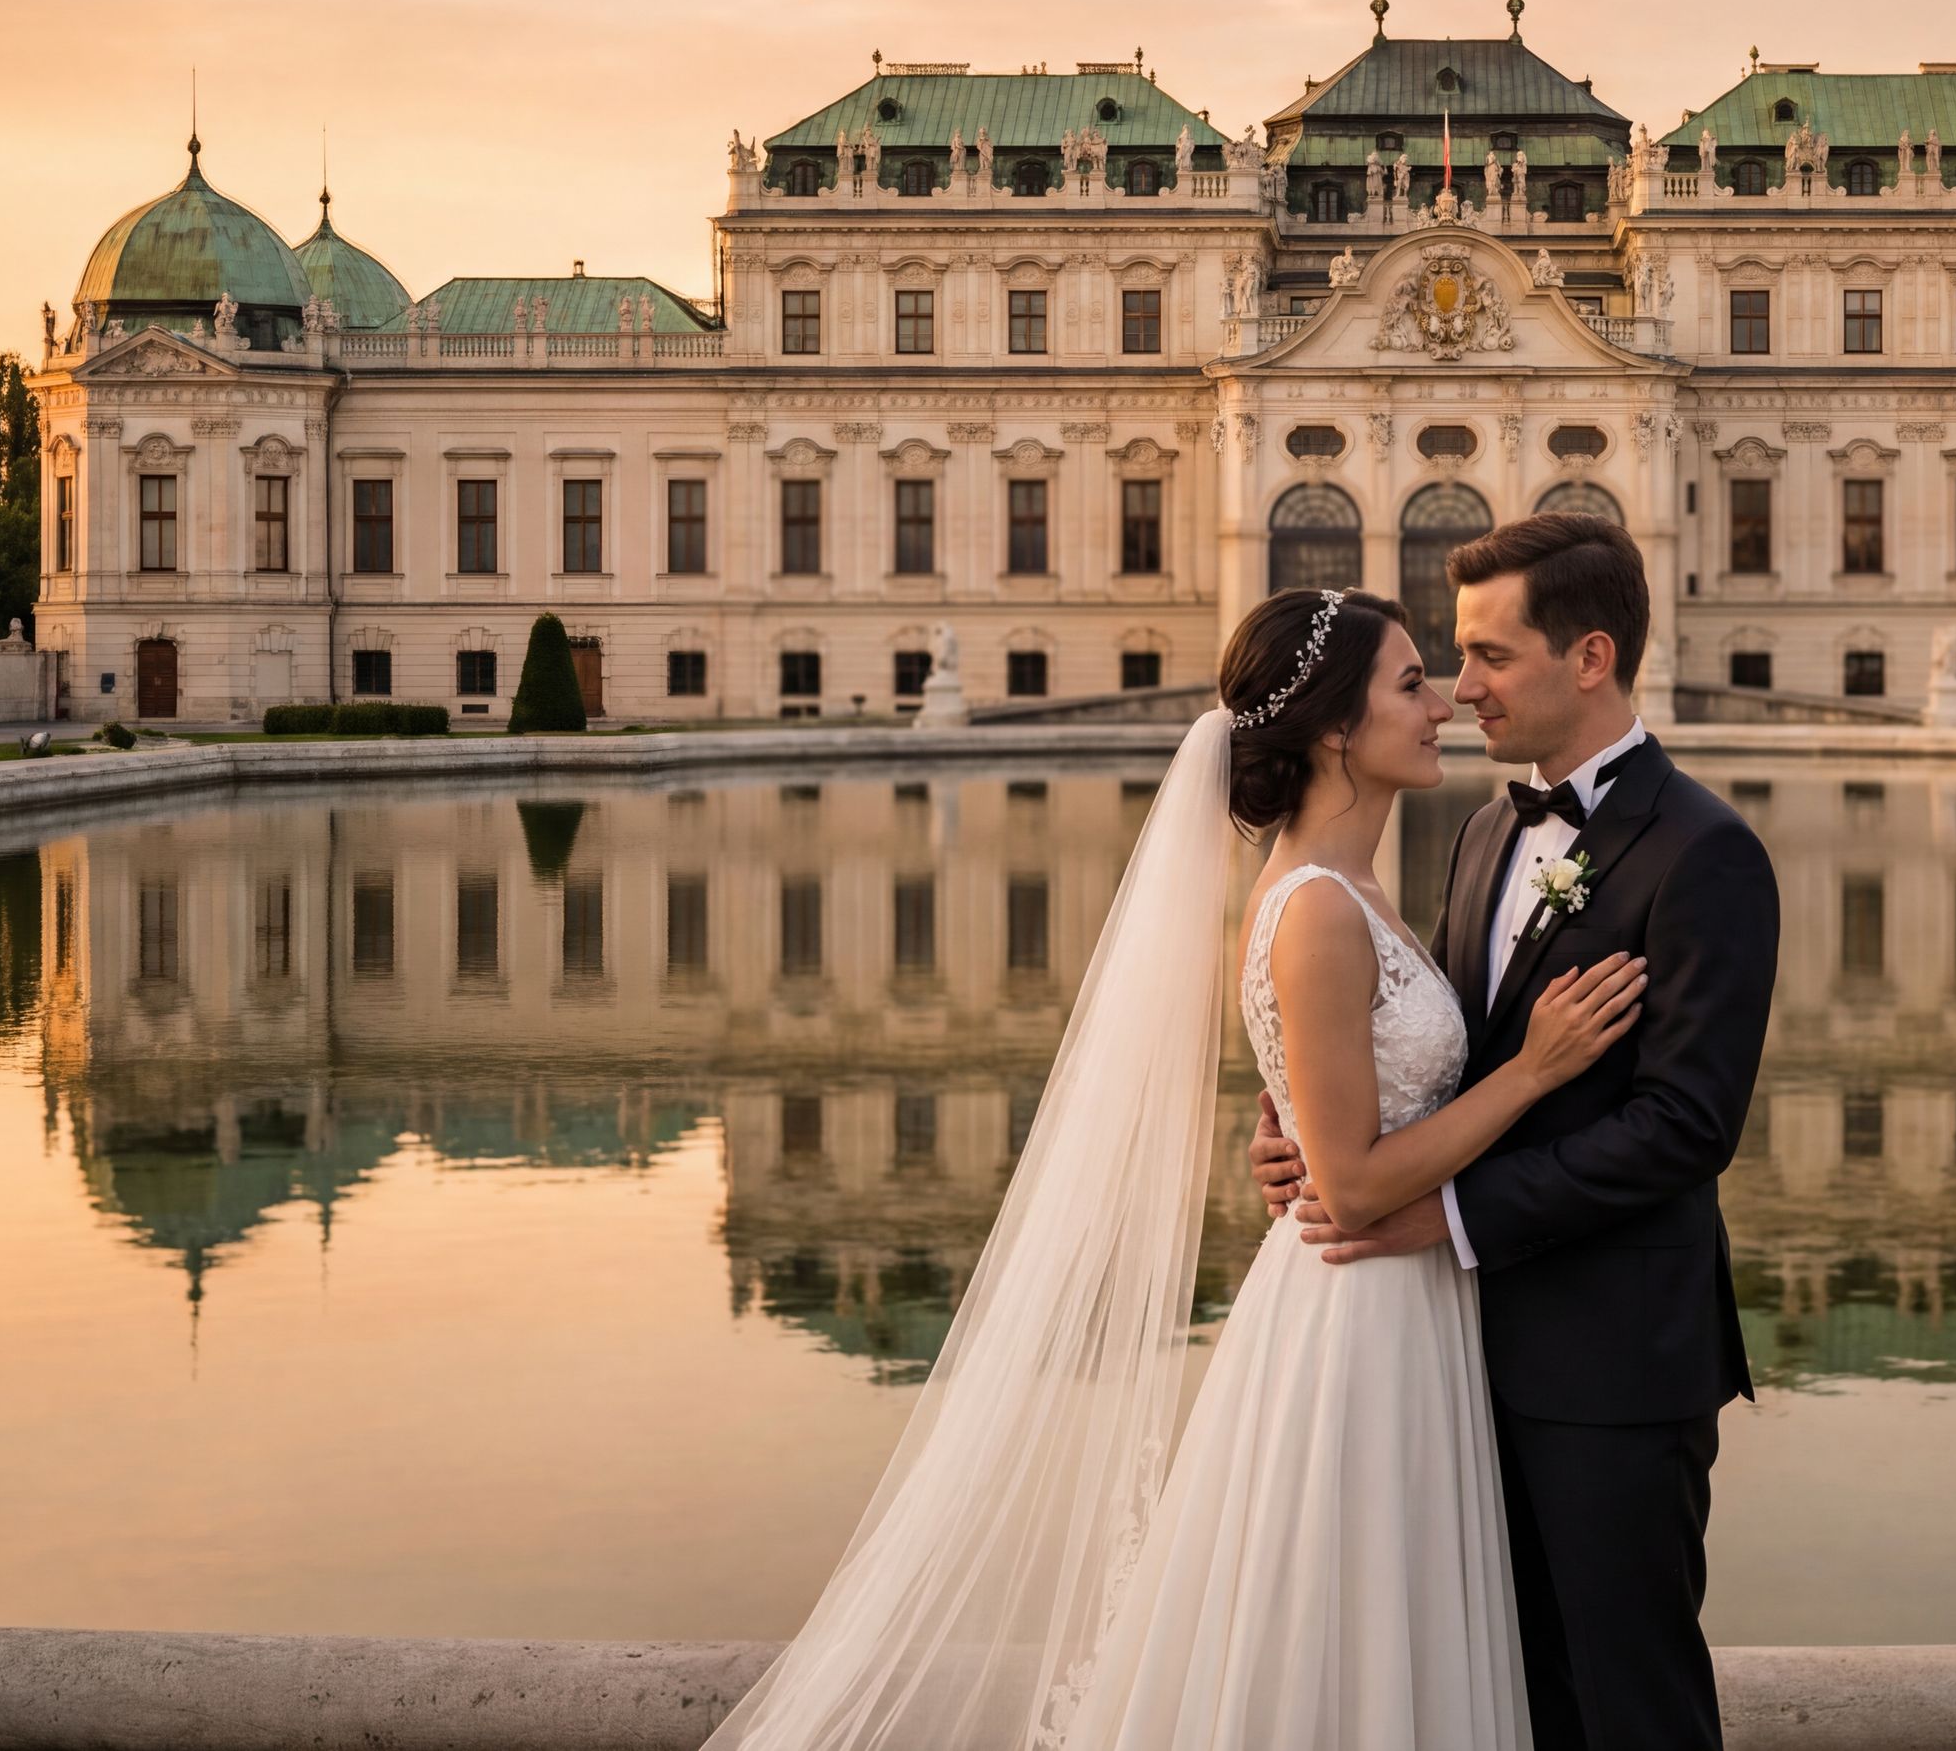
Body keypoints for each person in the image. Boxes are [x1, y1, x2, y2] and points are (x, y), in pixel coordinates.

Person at [700, 584, 1652, 1751]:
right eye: (1412, 682)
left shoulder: (1356, 890)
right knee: (1346, 1636)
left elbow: (1351, 1120)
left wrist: (1302, 1124)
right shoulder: (1318, 910)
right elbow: (1351, 1187)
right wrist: (1534, 1072)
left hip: (1401, 1304)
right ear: (1336, 728)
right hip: (1359, 1315)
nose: (1447, 699)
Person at [1254, 512, 1782, 1749]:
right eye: (1448, 659)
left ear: (1589, 658)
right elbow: (1437, 1062)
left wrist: (1436, 1214)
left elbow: (1684, 1129)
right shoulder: (1488, 831)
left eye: (1489, 655)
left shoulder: (1708, 852)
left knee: (1628, 1697)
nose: (1459, 687)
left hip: (1610, 1368)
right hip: (1445, 1354)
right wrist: (1304, 1132)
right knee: (1505, 1698)